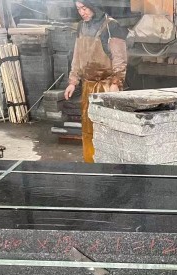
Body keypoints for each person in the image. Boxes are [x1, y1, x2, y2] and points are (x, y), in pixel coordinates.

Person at [64, 1, 128, 163]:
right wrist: (73, 81)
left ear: (94, 5)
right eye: (78, 9)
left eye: (84, 8)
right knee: (88, 128)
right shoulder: (81, 27)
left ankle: (110, 165)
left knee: (107, 129)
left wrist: (116, 83)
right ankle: (90, 164)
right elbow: (77, 57)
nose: (82, 12)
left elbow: (119, 59)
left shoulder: (111, 26)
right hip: (88, 86)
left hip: (106, 87)